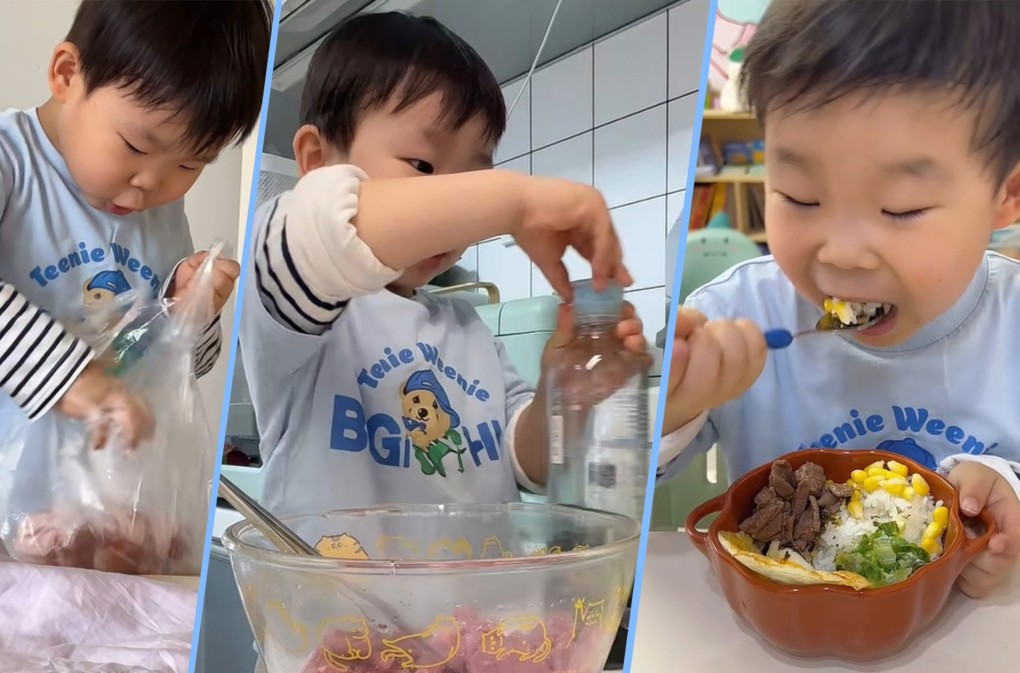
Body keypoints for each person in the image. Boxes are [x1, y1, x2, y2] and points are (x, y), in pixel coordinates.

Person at [658, 0, 1020, 599]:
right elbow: (637, 472)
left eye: (901, 208)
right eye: (799, 196)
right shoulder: (739, 314)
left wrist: (1010, 490)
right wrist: (674, 403)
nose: (843, 255)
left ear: (1006, 195)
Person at [240, 11, 650, 517]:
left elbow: (526, 464)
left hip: (480, 596)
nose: (460, 211)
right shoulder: (301, 307)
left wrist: (564, 394)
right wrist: (513, 202)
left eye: (472, 178)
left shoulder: (468, 330)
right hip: (337, 597)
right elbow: (320, 228)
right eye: (423, 166)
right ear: (317, 160)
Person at [0, 0, 271, 446]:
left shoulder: (160, 212)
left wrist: (191, 315)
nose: (152, 183)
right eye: (136, 146)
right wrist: (67, 375)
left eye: (189, 165)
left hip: (86, 499)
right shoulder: (12, 161)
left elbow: (188, 368)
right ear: (67, 75)